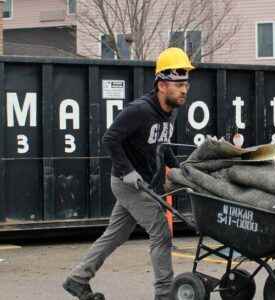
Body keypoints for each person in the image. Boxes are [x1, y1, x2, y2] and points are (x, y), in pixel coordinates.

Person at [63, 47, 194, 300]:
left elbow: (162, 145)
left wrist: (179, 171)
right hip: (129, 183)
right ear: (162, 84)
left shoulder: (171, 112)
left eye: (186, 83)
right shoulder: (140, 110)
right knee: (160, 232)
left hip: (146, 183)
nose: (184, 89)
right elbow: (110, 139)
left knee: (115, 235)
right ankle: (165, 294)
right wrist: (128, 171)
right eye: (179, 83)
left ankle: (77, 280)